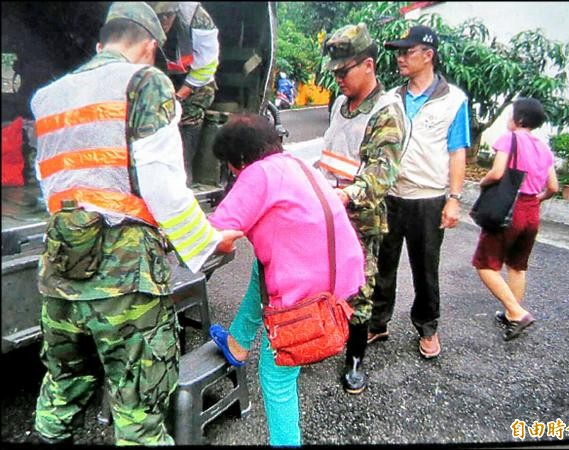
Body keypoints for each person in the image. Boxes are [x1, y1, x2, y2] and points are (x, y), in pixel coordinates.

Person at [30, 2, 241, 445]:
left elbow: (47, 182)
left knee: (62, 391)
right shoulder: (146, 82)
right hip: (125, 277)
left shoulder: (48, 97)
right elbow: (163, 185)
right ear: (148, 46)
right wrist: (207, 245)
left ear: (101, 42)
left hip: (60, 266)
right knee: (139, 413)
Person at [206, 113, 366, 446]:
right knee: (259, 268)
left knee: (277, 376)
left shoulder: (257, 174)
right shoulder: (297, 164)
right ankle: (237, 343)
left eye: (229, 166)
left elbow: (215, 233)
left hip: (307, 297)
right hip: (341, 277)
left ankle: (286, 442)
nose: (231, 173)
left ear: (239, 160)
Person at [368, 25, 471, 359]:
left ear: (428, 55)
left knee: (425, 268)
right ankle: (378, 322)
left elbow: (457, 152)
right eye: (398, 52)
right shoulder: (390, 98)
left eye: (407, 52)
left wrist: (454, 199)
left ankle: (427, 328)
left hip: (428, 198)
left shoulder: (453, 101)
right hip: (390, 195)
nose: (399, 58)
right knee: (383, 264)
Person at [318, 23, 410, 394]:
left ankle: (355, 357)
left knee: (358, 288)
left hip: (359, 217)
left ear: (368, 65)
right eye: (335, 72)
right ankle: (322, 338)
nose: (338, 78)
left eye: (344, 71)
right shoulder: (341, 104)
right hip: (327, 211)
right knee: (324, 282)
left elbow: (381, 173)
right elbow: (330, 154)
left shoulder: (387, 111)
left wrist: (344, 196)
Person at [472, 98, 558, 340]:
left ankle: (518, 312)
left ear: (519, 119)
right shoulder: (543, 147)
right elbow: (553, 186)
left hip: (510, 207)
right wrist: (536, 200)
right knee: (517, 265)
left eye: (511, 114)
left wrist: (483, 182)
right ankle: (512, 314)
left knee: (485, 264)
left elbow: (497, 172)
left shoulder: (509, 139)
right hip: (532, 210)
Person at [151, 2, 220, 185]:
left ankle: (184, 174)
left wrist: (179, 97)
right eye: (159, 17)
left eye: (167, 16)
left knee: (188, 114)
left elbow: (207, 66)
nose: (164, 21)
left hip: (195, 83)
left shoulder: (197, 19)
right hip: (161, 79)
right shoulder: (137, 15)